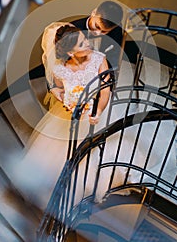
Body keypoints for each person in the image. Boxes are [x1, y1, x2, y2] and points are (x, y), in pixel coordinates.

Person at [10, 23, 112, 208]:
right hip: (68, 118)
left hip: (93, 115)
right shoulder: (60, 68)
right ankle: (42, 190)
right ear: (71, 53)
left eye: (84, 39)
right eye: (81, 44)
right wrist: (60, 95)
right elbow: (57, 87)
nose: (88, 44)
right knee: (53, 157)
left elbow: (105, 91)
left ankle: (75, 195)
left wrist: (96, 111)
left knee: (85, 157)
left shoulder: (99, 59)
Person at [71, 0, 124, 71]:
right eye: (97, 26)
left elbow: (114, 57)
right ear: (93, 13)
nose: (98, 33)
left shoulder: (116, 30)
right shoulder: (74, 28)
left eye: (104, 31)